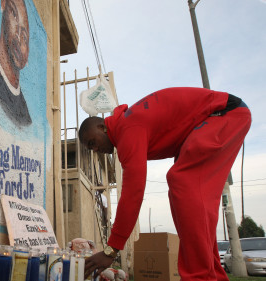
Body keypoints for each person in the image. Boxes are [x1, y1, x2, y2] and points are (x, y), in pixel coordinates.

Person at [79, 87, 251, 281]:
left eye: (92, 142)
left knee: (183, 182)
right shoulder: (126, 126)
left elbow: (133, 193)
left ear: (103, 127)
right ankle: (212, 274)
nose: (95, 149)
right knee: (184, 188)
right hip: (214, 119)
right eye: (90, 148)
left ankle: (200, 276)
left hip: (224, 114)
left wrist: (111, 251)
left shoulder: (127, 129)